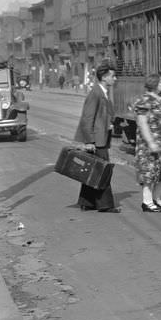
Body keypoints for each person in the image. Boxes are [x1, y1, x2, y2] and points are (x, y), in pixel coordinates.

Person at [72, 59, 119, 212]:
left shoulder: (102, 92)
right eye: (112, 76)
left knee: (93, 170)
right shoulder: (96, 93)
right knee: (103, 171)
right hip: (97, 141)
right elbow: (87, 118)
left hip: (101, 138)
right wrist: (90, 141)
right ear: (104, 77)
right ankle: (105, 205)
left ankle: (87, 202)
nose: (114, 78)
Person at [133, 72, 161, 212]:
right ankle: (147, 202)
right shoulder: (145, 101)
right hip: (149, 145)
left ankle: (157, 199)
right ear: (155, 84)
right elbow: (142, 123)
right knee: (149, 173)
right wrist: (151, 143)